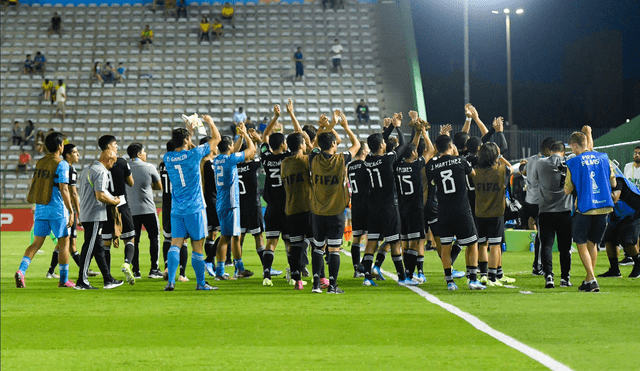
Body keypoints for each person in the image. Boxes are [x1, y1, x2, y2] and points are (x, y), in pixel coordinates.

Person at [163, 115, 221, 291]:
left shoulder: (168, 158)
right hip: (195, 207)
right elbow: (216, 139)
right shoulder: (194, 154)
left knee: (176, 243)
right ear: (187, 140)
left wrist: (189, 132)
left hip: (177, 208)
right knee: (197, 245)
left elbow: (183, 147)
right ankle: (201, 283)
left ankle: (171, 281)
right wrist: (210, 122)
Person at [360, 113, 417, 287]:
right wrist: (398, 127)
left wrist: (390, 127)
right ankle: (402, 277)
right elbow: (404, 143)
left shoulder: (368, 160)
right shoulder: (388, 159)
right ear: (382, 146)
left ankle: (367, 278)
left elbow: (379, 142)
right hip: (389, 207)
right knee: (394, 242)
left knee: (372, 242)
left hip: (373, 207)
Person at [15, 132, 75, 288]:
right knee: (64, 243)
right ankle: (63, 280)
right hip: (57, 210)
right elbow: (64, 189)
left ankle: (21, 271)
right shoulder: (62, 164)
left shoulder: (40, 162)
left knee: (35, 244)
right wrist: (71, 210)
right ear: (60, 146)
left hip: (41, 208)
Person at [309, 110, 360, 294]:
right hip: (336, 211)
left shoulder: (313, 158)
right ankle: (332, 285)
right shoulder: (341, 159)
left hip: (317, 211)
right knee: (334, 249)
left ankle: (316, 284)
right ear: (333, 144)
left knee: (318, 247)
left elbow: (315, 144)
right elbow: (356, 144)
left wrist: (324, 126)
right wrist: (344, 126)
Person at [427, 133, 485, 291]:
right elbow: (473, 174)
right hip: (461, 210)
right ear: (451, 146)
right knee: (472, 243)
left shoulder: (432, 164)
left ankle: (449, 281)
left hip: (443, 211)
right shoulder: (460, 160)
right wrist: (457, 157)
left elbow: (430, 175)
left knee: (446, 246)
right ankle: (473, 280)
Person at [564, 127, 616, 292]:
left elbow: (567, 190)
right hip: (604, 207)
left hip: (585, 208)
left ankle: (592, 279)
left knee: (580, 243)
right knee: (593, 243)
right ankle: (588, 280)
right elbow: (613, 183)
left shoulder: (573, 162)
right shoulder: (604, 158)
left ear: (574, 145)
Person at [212, 122, 256, 282]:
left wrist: (238, 137)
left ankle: (240, 269)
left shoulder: (218, 160)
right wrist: (245, 136)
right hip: (231, 204)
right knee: (226, 237)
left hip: (222, 202)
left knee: (235, 236)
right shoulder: (230, 160)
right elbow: (251, 151)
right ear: (229, 146)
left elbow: (235, 152)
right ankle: (220, 272)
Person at [46, 144, 98, 279]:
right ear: (68, 155)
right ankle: (84, 270)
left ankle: (51, 271)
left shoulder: (62, 167)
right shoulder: (69, 169)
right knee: (69, 244)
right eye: (75, 152)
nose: (78, 154)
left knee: (63, 243)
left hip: (61, 209)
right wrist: (78, 213)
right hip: (66, 211)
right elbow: (73, 193)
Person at [260, 105, 298, 286]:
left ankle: (267, 276)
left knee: (271, 243)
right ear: (283, 144)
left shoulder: (266, 158)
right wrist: (290, 113)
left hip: (272, 207)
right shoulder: (289, 158)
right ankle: (292, 276)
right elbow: (299, 136)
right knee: (289, 243)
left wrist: (275, 118)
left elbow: (265, 136)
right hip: (288, 207)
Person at [75, 149, 124, 290]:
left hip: (86, 213)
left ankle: (108, 279)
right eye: (112, 163)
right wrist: (114, 202)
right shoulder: (101, 172)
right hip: (94, 215)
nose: (112, 166)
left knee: (98, 249)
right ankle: (81, 281)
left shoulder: (87, 169)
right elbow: (100, 195)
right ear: (108, 160)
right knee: (89, 248)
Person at [529, 141, 573, 288]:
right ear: (563, 151)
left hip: (546, 211)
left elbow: (534, 182)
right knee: (564, 248)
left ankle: (549, 276)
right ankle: (565, 278)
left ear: (550, 150)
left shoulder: (540, 163)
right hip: (564, 211)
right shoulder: (570, 162)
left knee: (546, 245)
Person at [395, 112, 434, 283]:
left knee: (406, 242)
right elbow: (431, 150)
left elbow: (411, 147)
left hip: (402, 208)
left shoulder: (398, 166)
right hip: (415, 208)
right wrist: (424, 131)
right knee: (414, 242)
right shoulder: (417, 166)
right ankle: (409, 275)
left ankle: (405, 275)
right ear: (414, 155)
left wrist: (416, 132)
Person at [279, 99, 312, 289]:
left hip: (290, 210)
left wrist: (291, 114)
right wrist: (292, 115)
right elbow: (305, 139)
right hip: (307, 207)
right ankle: (319, 277)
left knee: (295, 246)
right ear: (301, 146)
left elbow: (299, 140)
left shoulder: (285, 163)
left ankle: (297, 279)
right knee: (317, 244)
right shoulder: (305, 161)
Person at [472, 140, 514, 287]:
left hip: (479, 212)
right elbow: (510, 168)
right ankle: (492, 277)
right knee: (495, 246)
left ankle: (483, 275)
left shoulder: (474, 171)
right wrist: (500, 155)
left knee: (482, 244)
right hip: (496, 213)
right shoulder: (501, 170)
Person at [97, 135, 138, 279]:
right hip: (121, 203)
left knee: (106, 242)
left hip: (105, 205)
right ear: (109, 146)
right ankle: (127, 263)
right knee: (129, 238)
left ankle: (107, 276)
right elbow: (131, 183)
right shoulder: (121, 162)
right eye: (114, 144)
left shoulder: (98, 165)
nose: (116, 147)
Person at [128, 143, 163, 286]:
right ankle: (154, 269)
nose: (146, 154)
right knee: (154, 237)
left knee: (134, 240)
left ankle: (136, 270)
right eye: (144, 152)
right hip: (148, 209)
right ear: (138, 154)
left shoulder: (126, 167)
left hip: (131, 210)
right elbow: (159, 186)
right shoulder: (149, 167)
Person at [598, 169, 640, 279]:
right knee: (609, 239)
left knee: (627, 241)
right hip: (618, 213)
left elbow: (614, 198)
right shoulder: (602, 181)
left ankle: (638, 263)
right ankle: (614, 270)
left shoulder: (617, 180)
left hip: (634, 212)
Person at [523, 137, 556, 275]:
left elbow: (523, 172)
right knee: (544, 236)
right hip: (540, 201)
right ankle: (537, 267)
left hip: (530, 199)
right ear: (548, 149)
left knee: (541, 234)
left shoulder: (531, 159)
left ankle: (538, 265)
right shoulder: (545, 162)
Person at [158, 142, 190, 282]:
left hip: (166, 204)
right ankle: (182, 273)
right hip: (179, 203)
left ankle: (167, 268)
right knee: (182, 240)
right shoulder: (181, 162)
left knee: (167, 237)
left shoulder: (162, 163)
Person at [200, 136, 223, 278]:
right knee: (227, 232)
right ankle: (209, 260)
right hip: (210, 201)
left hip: (216, 199)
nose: (216, 147)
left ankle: (211, 262)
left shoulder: (214, 161)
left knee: (213, 233)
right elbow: (202, 182)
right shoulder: (203, 162)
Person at [347, 141, 369, 277]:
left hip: (355, 204)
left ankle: (356, 268)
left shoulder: (350, 167)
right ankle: (365, 266)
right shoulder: (365, 166)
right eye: (366, 149)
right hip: (366, 204)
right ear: (363, 151)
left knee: (356, 238)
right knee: (372, 238)